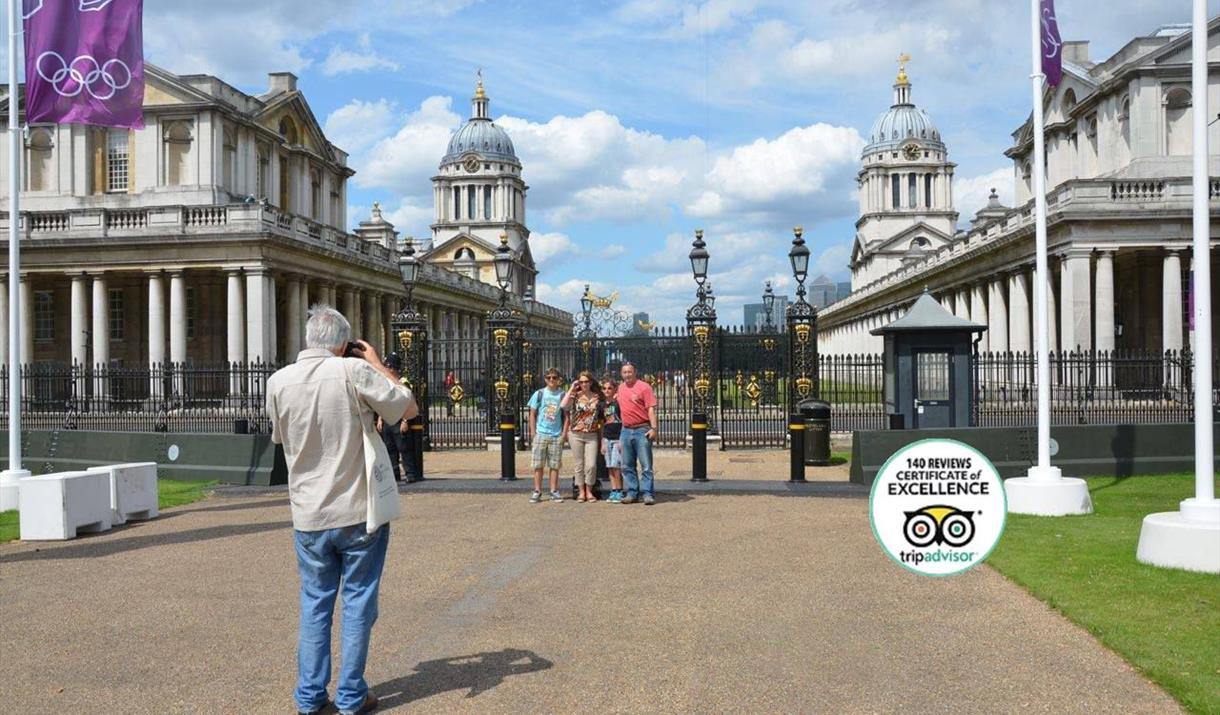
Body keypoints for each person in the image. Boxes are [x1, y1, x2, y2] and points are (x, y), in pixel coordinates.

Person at [266, 305, 416, 715]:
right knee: (357, 604)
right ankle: (351, 697)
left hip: (309, 515)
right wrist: (376, 362)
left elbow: (279, 438)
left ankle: (311, 698)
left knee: (315, 605)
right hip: (356, 510)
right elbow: (407, 407)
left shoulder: (278, 381)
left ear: (309, 338)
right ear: (344, 343)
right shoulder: (353, 372)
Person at [616, 361, 658, 505]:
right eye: (624, 372)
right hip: (626, 429)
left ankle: (647, 493)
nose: (627, 374)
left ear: (635, 372)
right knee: (627, 465)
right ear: (621, 374)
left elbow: (651, 409)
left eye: (629, 372)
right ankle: (632, 492)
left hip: (642, 429)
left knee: (646, 465)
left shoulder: (644, 387)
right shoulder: (620, 388)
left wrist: (654, 428)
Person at [527, 367, 568, 503]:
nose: (551, 380)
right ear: (545, 379)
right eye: (549, 377)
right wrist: (533, 432)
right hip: (541, 432)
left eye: (554, 377)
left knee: (554, 465)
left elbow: (567, 416)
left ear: (559, 380)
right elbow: (532, 413)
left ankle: (553, 490)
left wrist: (564, 434)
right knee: (538, 465)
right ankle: (537, 490)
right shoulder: (539, 394)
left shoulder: (562, 395)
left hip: (556, 434)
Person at [561, 370, 603, 503]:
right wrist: (572, 388)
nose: (584, 384)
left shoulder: (596, 396)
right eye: (582, 381)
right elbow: (563, 406)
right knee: (579, 464)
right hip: (576, 433)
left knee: (591, 465)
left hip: (591, 434)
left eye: (586, 381)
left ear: (591, 382)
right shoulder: (574, 395)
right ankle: (581, 491)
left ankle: (590, 490)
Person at [375, 353, 410, 483]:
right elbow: (382, 401)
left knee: (403, 449)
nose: (386, 369)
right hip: (387, 419)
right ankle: (395, 475)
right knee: (390, 450)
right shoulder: (386, 383)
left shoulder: (403, 382)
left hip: (399, 420)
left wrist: (405, 421)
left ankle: (410, 474)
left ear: (393, 368)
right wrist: (380, 418)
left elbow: (408, 403)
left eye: (388, 366)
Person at [600, 376, 625, 503]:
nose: (607, 390)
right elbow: (602, 424)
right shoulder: (602, 405)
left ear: (615, 389)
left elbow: (624, 421)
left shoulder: (618, 404)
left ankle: (619, 490)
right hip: (607, 438)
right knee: (609, 465)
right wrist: (602, 442)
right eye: (604, 388)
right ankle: (613, 490)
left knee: (616, 465)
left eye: (610, 388)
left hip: (617, 438)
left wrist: (622, 439)